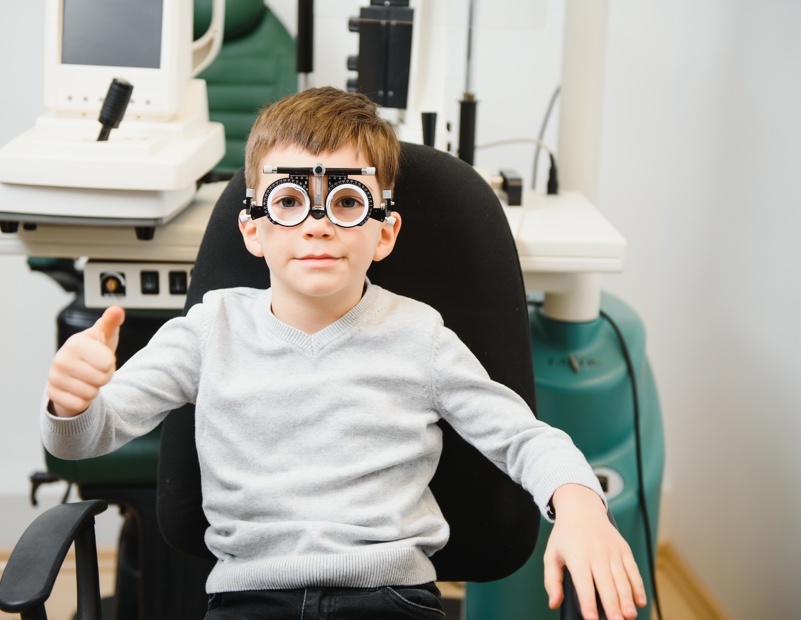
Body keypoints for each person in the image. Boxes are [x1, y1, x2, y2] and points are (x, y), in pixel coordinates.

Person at [42, 87, 646, 620]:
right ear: (252, 227)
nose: (317, 225)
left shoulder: (420, 337)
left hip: (389, 598)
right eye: (288, 201)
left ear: (384, 231)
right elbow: (82, 441)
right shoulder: (209, 331)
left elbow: (524, 437)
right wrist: (70, 402)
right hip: (248, 601)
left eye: (347, 202)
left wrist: (580, 503)